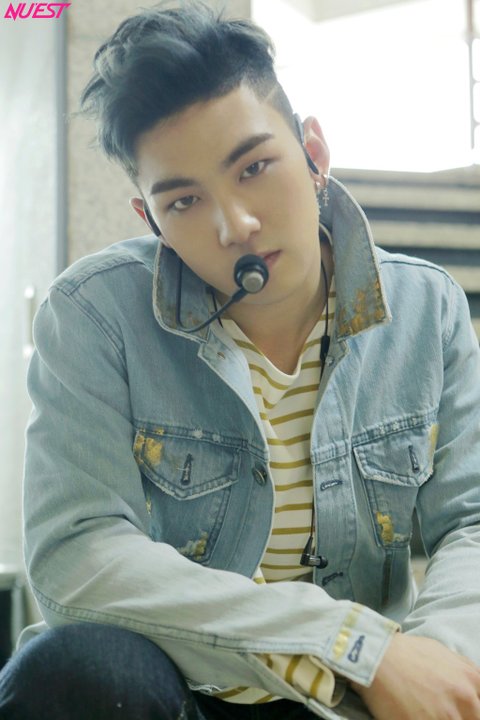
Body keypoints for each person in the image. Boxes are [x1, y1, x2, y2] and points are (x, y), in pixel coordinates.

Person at [1, 2, 480, 718]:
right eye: (184, 201)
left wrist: (434, 665)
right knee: (71, 671)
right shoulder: (94, 313)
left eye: (254, 167)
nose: (236, 225)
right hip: (186, 692)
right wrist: (350, 643)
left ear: (314, 152)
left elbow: (471, 520)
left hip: (351, 703)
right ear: (149, 220)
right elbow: (79, 554)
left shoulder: (426, 307)